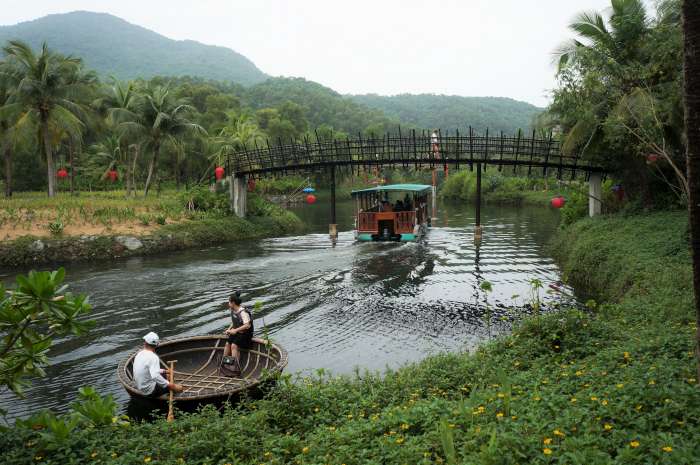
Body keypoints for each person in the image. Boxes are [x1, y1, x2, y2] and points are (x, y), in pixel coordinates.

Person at [132, 331, 183, 397]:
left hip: (140, 387)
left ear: (145, 343)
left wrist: (165, 371)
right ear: (156, 345)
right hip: (149, 391)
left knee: (168, 375)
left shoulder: (140, 353)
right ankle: (171, 393)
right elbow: (155, 375)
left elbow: (151, 370)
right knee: (180, 388)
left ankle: (168, 388)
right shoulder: (153, 357)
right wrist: (171, 385)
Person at [224, 291, 254, 374]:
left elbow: (247, 325)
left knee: (234, 345)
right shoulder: (233, 310)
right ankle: (225, 362)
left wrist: (235, 330)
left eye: (229, 302)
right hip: (237, 332)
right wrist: (229, 329)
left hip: (245, 334)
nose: (228, 304)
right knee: (227, 344)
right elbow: (235, 322)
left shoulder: (243, 312)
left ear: (233, 303)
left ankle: (235, 366)